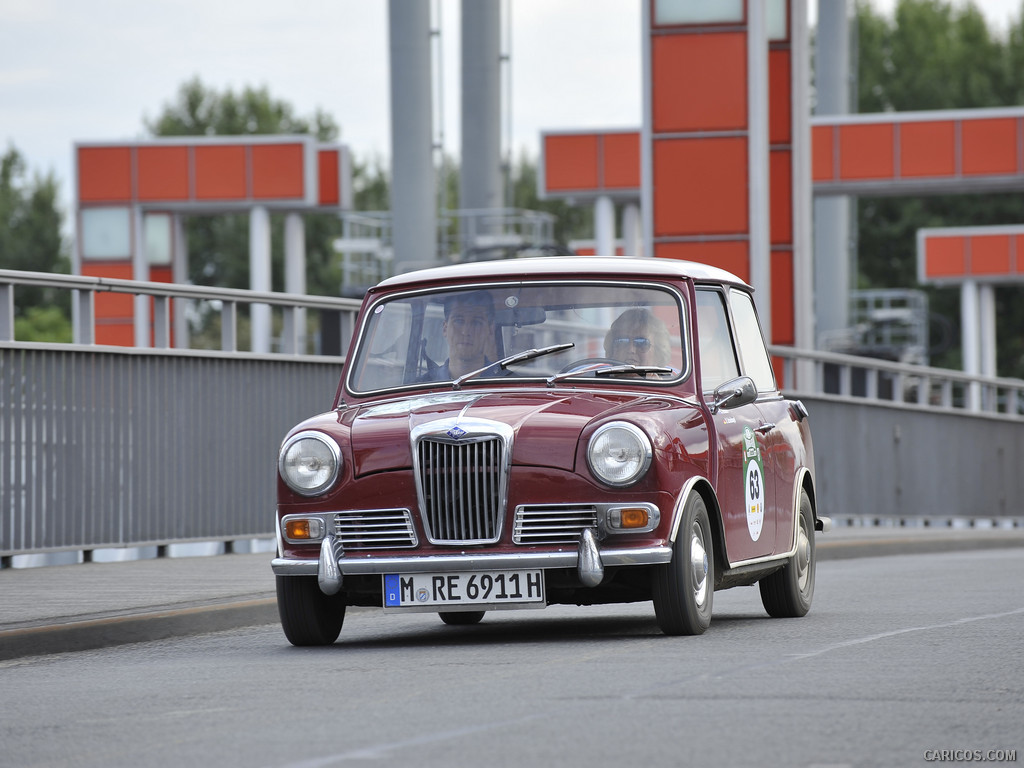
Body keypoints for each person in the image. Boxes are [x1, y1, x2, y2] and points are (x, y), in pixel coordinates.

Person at [422, 291, 497, 381]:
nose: (466, 332)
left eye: (476, 322)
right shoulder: (421, 386)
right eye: (458, 321)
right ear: (445, 328)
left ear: (490, 330)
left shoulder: (507, 385)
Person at [604, 308, 673, 369]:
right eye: (622, 342)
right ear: (612, 351)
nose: (631, 350)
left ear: (658, 354)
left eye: (642, 343)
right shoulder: (596, 378)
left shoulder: (673, 380)